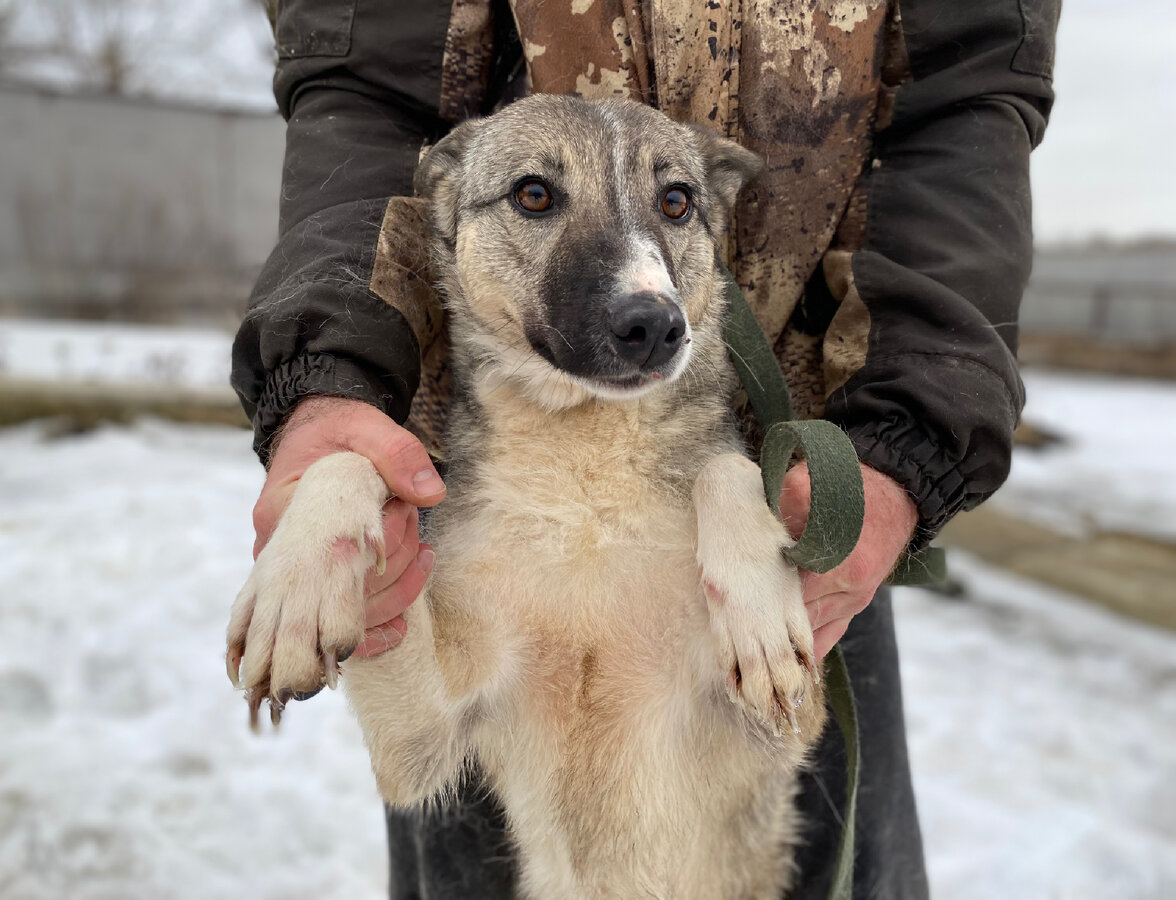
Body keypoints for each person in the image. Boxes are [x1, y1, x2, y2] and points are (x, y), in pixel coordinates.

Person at [232, 1, 1059, 896]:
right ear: (450, 207)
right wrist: (336, 476)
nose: (644, 288)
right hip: (448, 438)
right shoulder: (466, 521)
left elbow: (972, 93)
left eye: (674, 206)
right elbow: (417, 759)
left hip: (824, 477)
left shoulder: (734, 511)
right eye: (537, 198)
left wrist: (902, 449)